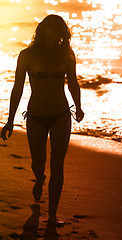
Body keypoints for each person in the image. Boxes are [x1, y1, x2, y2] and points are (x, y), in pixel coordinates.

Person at [1, 14, 84, 227]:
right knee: (38, 162)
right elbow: (17, 88)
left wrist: (79, 106)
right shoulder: (27, 56)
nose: (50, 44)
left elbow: (73, 83)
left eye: (54, 40)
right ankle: (39, 178)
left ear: (61, 38)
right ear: (40, 36)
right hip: (36, 116)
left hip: (61, 115)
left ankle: (53, 215)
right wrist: (9, 120)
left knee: (58, 165)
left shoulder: (67, 55)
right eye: (46, 39)